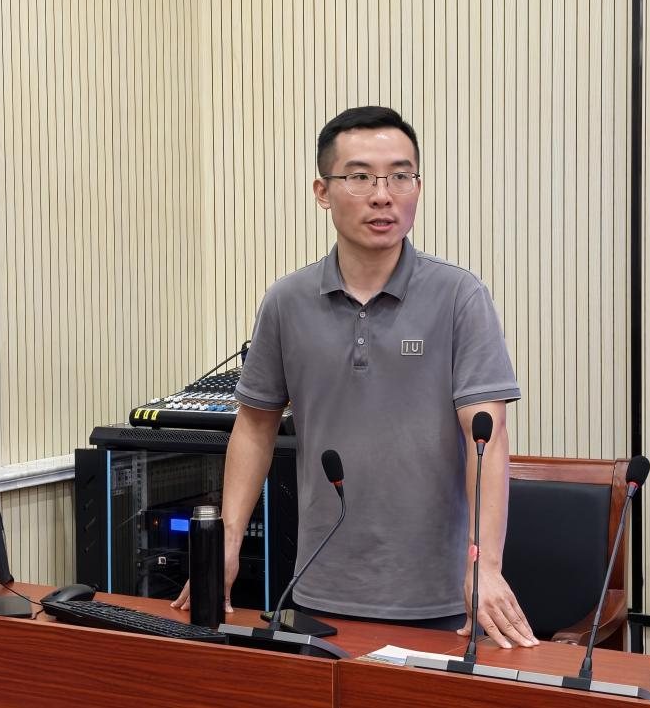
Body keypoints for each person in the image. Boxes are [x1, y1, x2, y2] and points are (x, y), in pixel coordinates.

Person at [173, 106, 537, 648]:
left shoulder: (460, 297)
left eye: (401, 176)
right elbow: (254, 426)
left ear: (418, 186)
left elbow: (488, 437)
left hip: (442, 597)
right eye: (360, 176)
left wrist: (484, 565)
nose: (383, 195)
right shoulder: (287, 302)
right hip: (320, 586)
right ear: (323, 191)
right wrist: (226, 541)